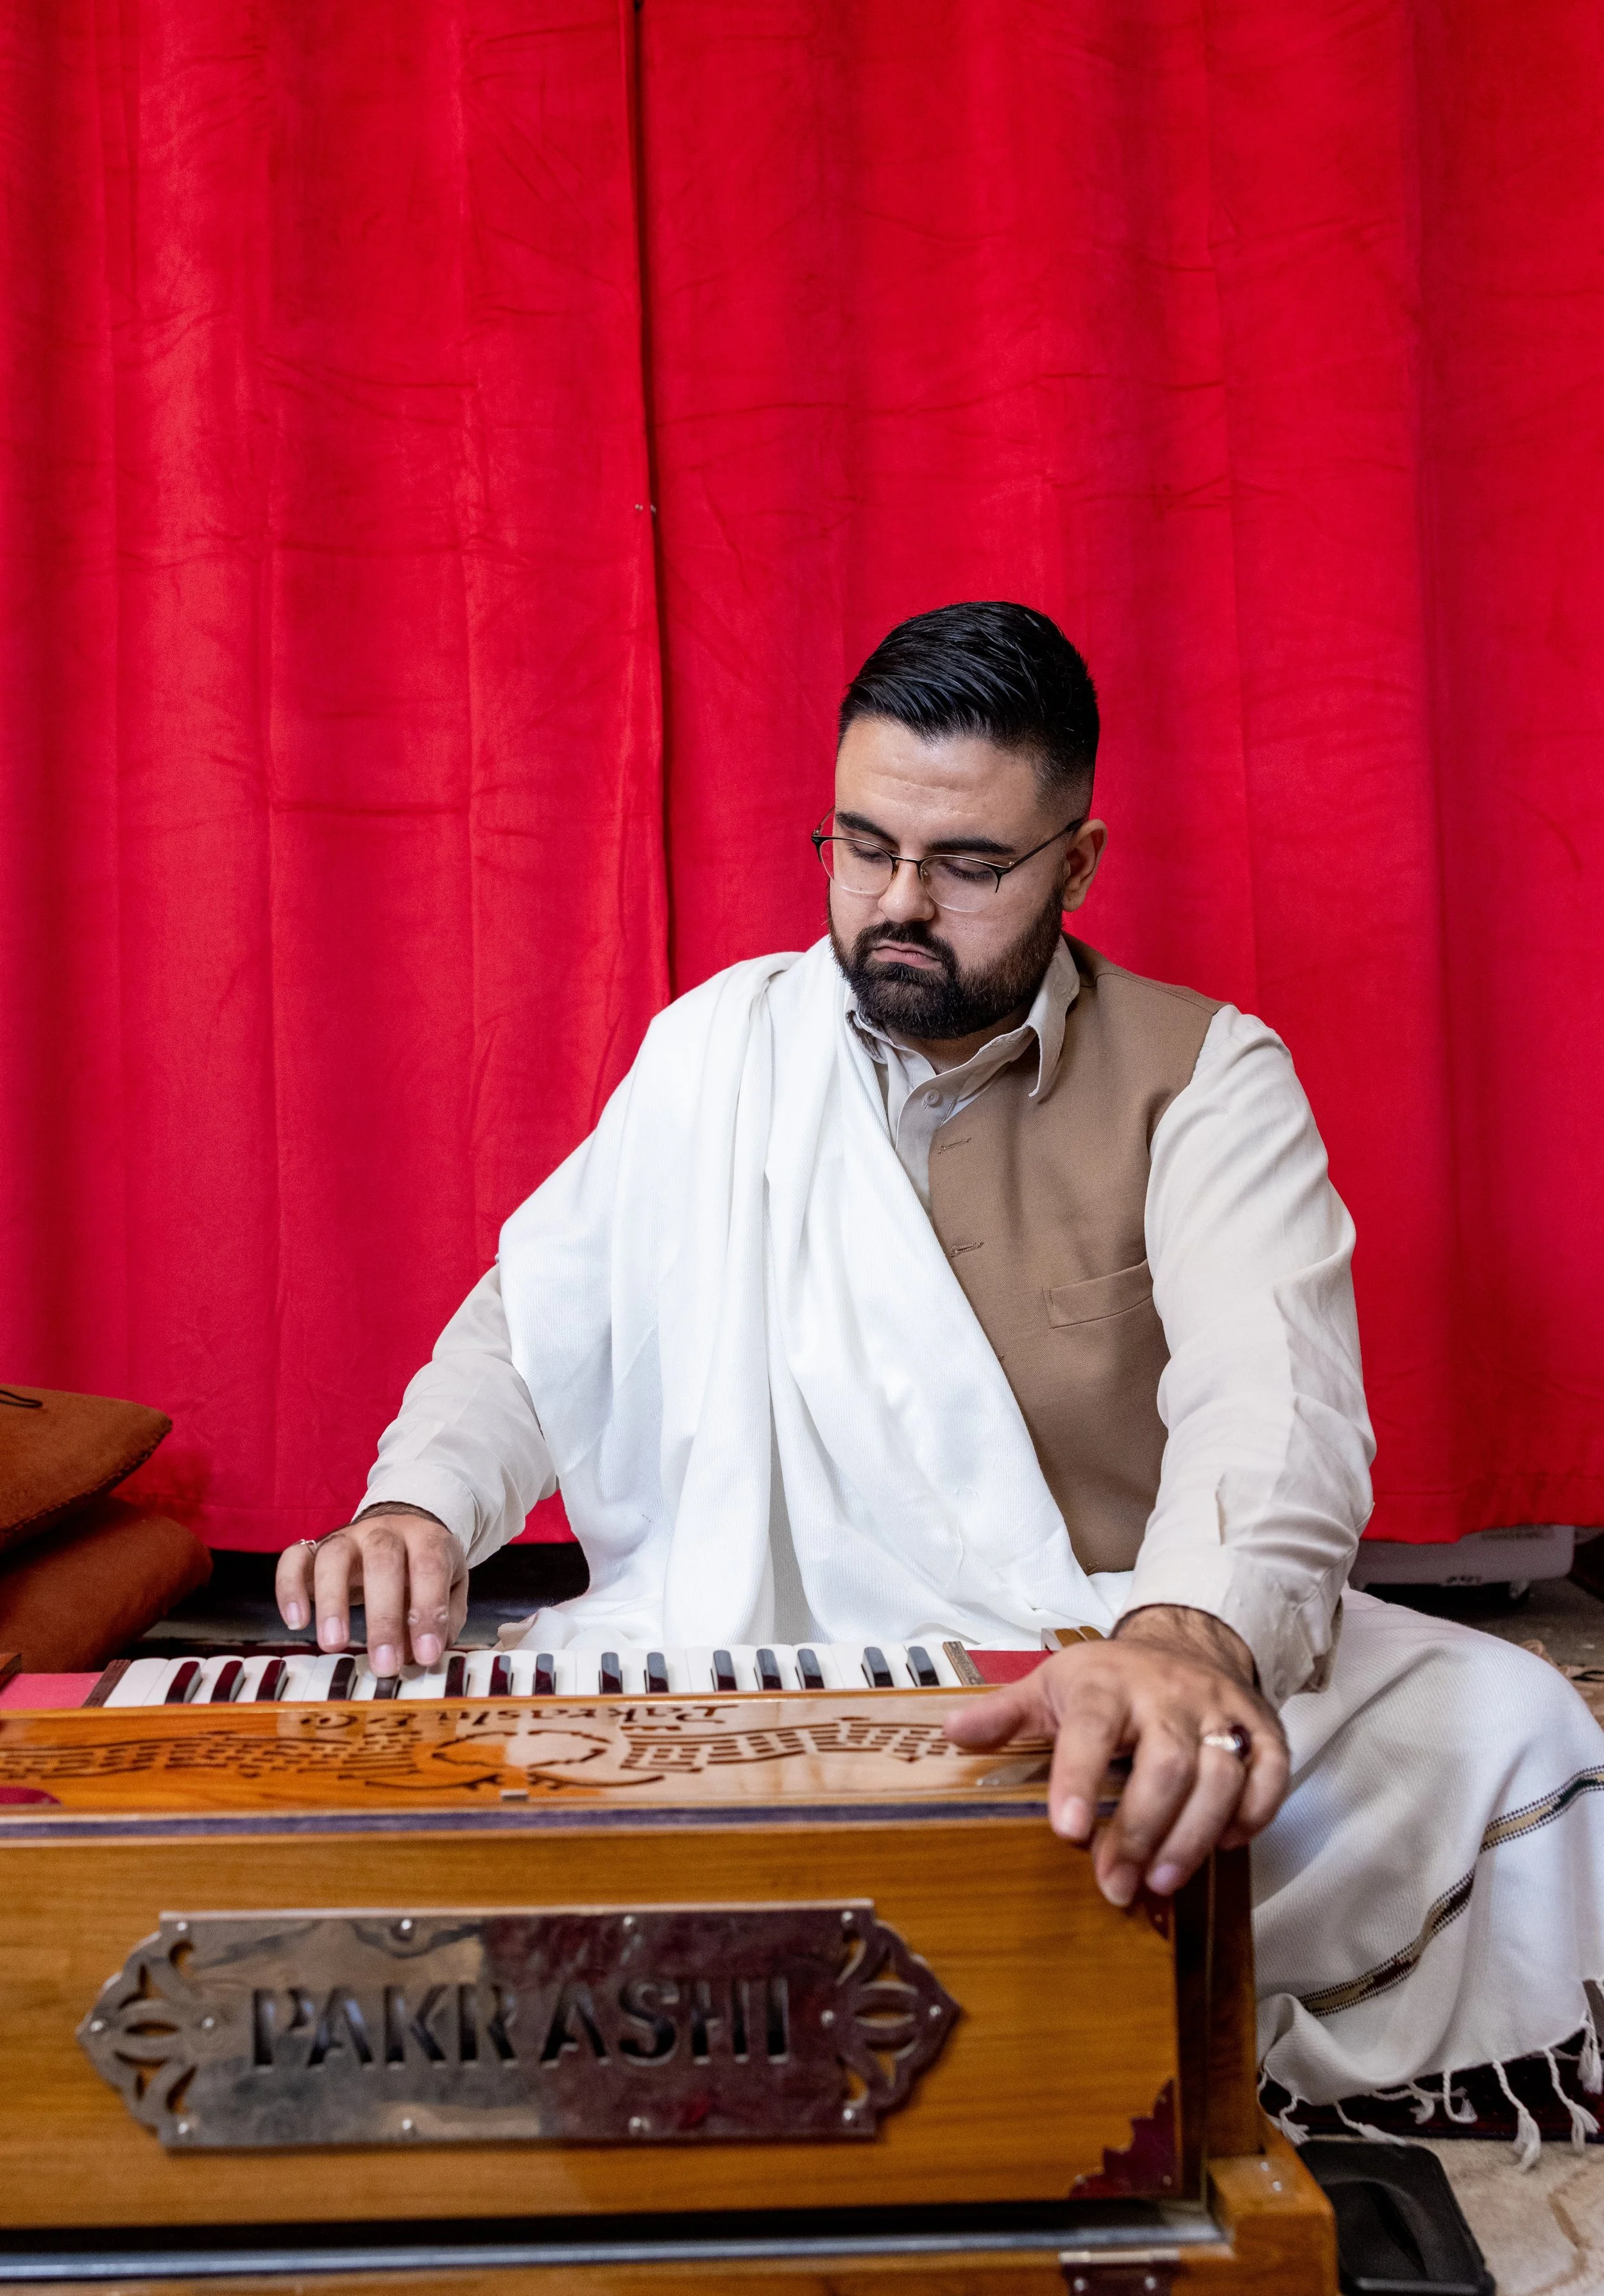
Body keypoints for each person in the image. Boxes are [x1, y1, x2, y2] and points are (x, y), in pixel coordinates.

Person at [277, 600, 1604, 2129]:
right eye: (861, 846)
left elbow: (1275, 1401)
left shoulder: (1206, 1075)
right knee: (416, 1781)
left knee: (1492, 1726)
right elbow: (531, 1319)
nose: (897, 902)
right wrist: (420, 1507)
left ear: (1077, 863)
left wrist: (1181, 1642)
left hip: (1079, 1659)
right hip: (753, 1650)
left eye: (967, 865)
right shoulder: (723, 1046)